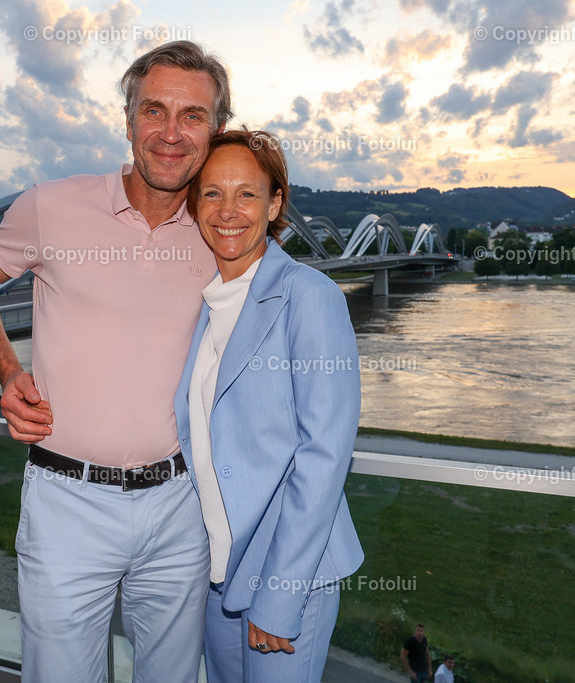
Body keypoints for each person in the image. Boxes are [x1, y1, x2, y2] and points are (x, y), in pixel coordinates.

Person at [0, 41, 229, 683]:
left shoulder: (223, 230)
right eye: (154, 110)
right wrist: (8, 371)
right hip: (66, 501)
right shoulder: (51, 206)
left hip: (181, 504)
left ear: (215, 129)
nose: (170, 133)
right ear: (127, 120)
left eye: (193, 116)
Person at [173, 129, 364, 682]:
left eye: (247, 194)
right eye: (211, 193)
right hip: (218, 575)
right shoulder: (207, 304)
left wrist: (279, 594)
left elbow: (324, 455)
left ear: (276, 203)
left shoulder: (310, 295)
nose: (228, 210)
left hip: (286, 576)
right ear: (194, 204)